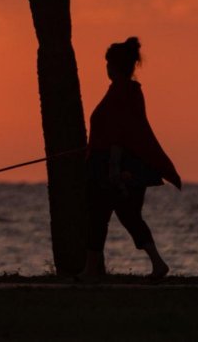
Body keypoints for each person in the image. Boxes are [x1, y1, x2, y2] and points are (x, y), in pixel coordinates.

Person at [80, 37, 181, 281]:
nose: (105, 68)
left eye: (107, 63)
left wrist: (114, 169)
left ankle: (94, 271)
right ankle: (94, 270)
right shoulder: (129, 91)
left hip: (114, 167)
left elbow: (118, 133)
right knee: (120, 216)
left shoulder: (121, 92)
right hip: (119, 165)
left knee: (103, 216)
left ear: (114, 66)